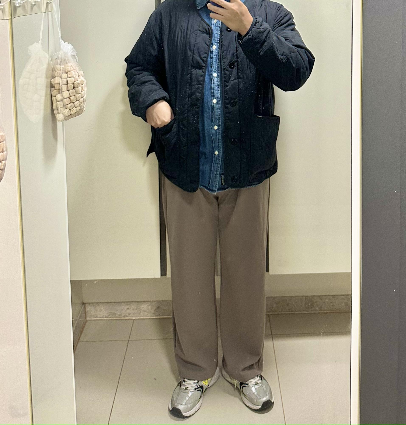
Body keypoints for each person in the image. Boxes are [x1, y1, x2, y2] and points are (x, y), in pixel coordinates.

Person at [124, 0, 314, 419]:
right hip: (185, 164)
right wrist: (153, 101)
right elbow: (139, 67)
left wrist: (250, 28)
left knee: (246, 273)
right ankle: (195, 371)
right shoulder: (168, 15)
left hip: (247, 167)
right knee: (189, 274)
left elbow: (297, 70)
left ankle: (245, 369)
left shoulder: (268, 13)